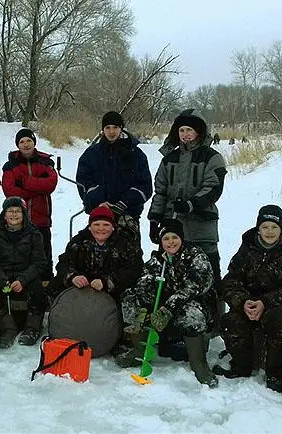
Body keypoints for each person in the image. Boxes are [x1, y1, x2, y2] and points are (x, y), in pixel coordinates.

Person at [217, 205, 282, 393]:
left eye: (274, 227)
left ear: (281, 229)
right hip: (249, 304)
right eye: (265, 227)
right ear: (258, 229)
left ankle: (277, 372)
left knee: (277, 319)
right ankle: (241, 365)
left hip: (279, 306)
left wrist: (266, 303)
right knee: (230, 321)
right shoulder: (246, 250)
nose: (269, 231)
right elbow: (230, 280)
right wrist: (243, 302)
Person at [119, 219, 219, 387]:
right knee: (130, 299)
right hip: (163, 307)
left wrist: (168, 308)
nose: (170, 242)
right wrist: (146, 305)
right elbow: (143, 283)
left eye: (174, 237)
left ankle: (199, 364)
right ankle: (139, 349)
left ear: (181, 238)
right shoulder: (158, 260)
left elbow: (195, 286)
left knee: (191, 314)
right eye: (166, 238)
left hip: (193, 304)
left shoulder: (196, 256)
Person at [147, 109, 227, 315]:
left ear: (199, 132)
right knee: (171, 271)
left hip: (201, 224)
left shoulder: (212, 157)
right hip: (173, 223)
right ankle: (170, 313)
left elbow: (213, 187)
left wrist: (192, 204)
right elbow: (161, 191)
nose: (185, 134)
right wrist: (154, 219)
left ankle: (215, 317)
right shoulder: (169, 159)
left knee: (208, 269)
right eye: (181, 130)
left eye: (189, 130)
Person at [0, 197, 49, 348]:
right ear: (4, 215)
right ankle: (7, 328)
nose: (14, 214)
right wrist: (2, 280)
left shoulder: (35, 235)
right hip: (3, 279)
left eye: (18, 211)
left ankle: (32, 329)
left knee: (38, 291)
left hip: (26, 277)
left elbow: (39, 262)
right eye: (10, 211)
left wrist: (23, 280)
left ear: (24, 214)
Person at [75, 111, 152, 239]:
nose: (111, 131)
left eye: (115, 127)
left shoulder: (136, 154)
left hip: (128, 217)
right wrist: (99, 201)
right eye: (107, 127)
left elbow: (145, 185)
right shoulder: (90, 154)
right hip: (100, 218)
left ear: (121, 128)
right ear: (102, 130)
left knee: (130, 257)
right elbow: (83, 182)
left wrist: (124, 202)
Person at [1, 128, 58, 280]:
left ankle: (46, 285)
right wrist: (37, 189)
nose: (26, 144)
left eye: (29, 141)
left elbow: (50, 184)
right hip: (18, 220)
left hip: (41, 220)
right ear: (18, 145)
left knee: (44, 254)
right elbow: (10, 191)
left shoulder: (45, 161)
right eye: (22, 142)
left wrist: (25, 182)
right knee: (21, 255)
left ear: (34, 142)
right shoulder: (10, 165)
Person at [54, 206, 143, 302]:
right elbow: (63, 263)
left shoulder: (126, 243)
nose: (101, 229)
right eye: (96, 224)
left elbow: (135, 269)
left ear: (113, 227)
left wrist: (107, 282)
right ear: (89, 227)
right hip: (82, 289)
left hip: (116, 292)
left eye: (106, 225)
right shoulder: (78, 241)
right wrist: (72, 277)